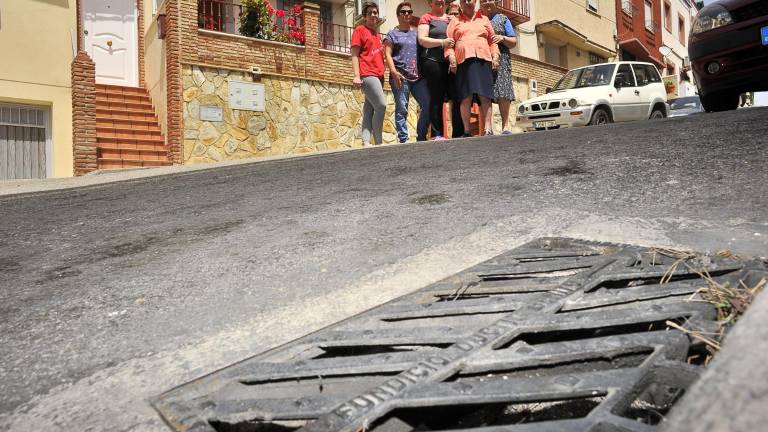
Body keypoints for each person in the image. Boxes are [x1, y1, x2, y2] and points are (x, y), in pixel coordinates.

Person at [445, 0, 499, 137]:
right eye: (464, 0)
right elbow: (449, 44)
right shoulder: (455, 21)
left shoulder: (485, 19)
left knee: (485, 95)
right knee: (465, 97)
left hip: (483, 59)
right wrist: (451, 58)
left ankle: (488, 129)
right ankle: (467, 131)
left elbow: (492, 41)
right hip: (463, 61)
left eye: (471, 0)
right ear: (461, 4)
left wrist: (495, 56)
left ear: (475, 2)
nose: (468, 2)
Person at [384, 2, 430, 142]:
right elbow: (387, 54)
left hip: (418, 78)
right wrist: (393, 72)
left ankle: (421, 136)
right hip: (400, 76)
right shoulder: (392, 34)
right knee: (402, 108)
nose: (407, 14)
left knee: (428, 104)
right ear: (398, 15)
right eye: (403, 12)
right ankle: (403, 139)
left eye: (409, 12)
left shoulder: (416, 34)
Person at [418, 0, 455, 140]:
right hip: (433, 62)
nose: (440, 1)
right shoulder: (426, 18)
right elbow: (422, 39)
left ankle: (458, 132)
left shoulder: (451, 19)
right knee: (436, 98)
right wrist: (442, 42)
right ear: (430, 3)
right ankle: (437, 133)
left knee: (455, 96)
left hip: (452, 62)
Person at [351, 2, 386, 146]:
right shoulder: (360, 30)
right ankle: (378, 142)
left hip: (379, 76)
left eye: (375, 12)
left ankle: (365, 141)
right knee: (381, 106)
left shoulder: (377, 35)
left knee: (369, 108)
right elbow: (354, 54)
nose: (373, 15)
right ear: (365, 16)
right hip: (367, 74)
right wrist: (357, 75)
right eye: (370, 12)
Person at [481, 0, 517, 135]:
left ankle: (505, 126)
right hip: (483, 60)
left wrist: (502, 38)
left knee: (503, 92)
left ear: (495, 2)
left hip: (502, 60)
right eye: (483, 1)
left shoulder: (503, 19)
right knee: (485, 93)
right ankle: (488, 128)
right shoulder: (478, 19)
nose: (487, 3)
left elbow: (513, 41)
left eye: (490, 0)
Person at [445, 1, 465, 138]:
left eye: (456, 13)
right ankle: (456, 133)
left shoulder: (462, 26)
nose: (453, 16)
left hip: (462, 66)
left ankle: (464, 130)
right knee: (453, 99)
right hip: (446, 68)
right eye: (450, 13)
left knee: (462, 99)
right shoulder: (444, 27)